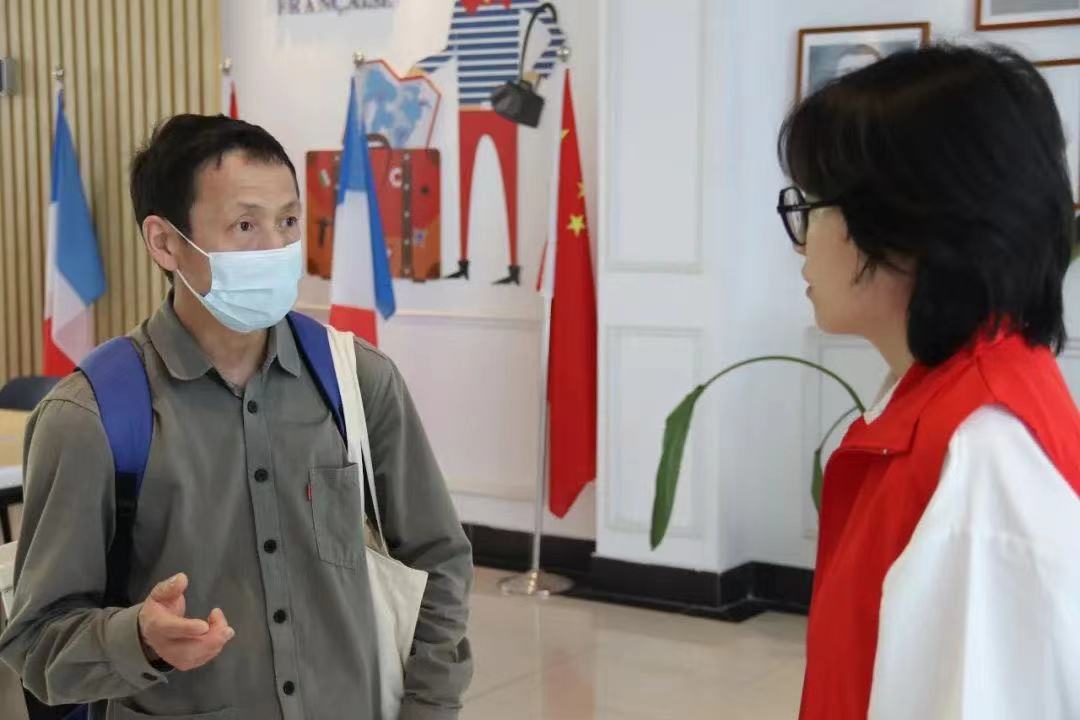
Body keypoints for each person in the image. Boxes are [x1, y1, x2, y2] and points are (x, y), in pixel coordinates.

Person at [0, 114, 473, 719]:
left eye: (289, 221)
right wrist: (137, 639)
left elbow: (439, 562)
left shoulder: (357, 380)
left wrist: (428, 708)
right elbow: (37, 642)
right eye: (245, 225)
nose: (276, 248)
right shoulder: (90, 416)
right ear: (164, 242)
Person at [776, 45, 1080, 719]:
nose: (800, 240)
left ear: (909, 225)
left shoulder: (982, 453)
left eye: (816, 206)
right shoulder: (944, 391)